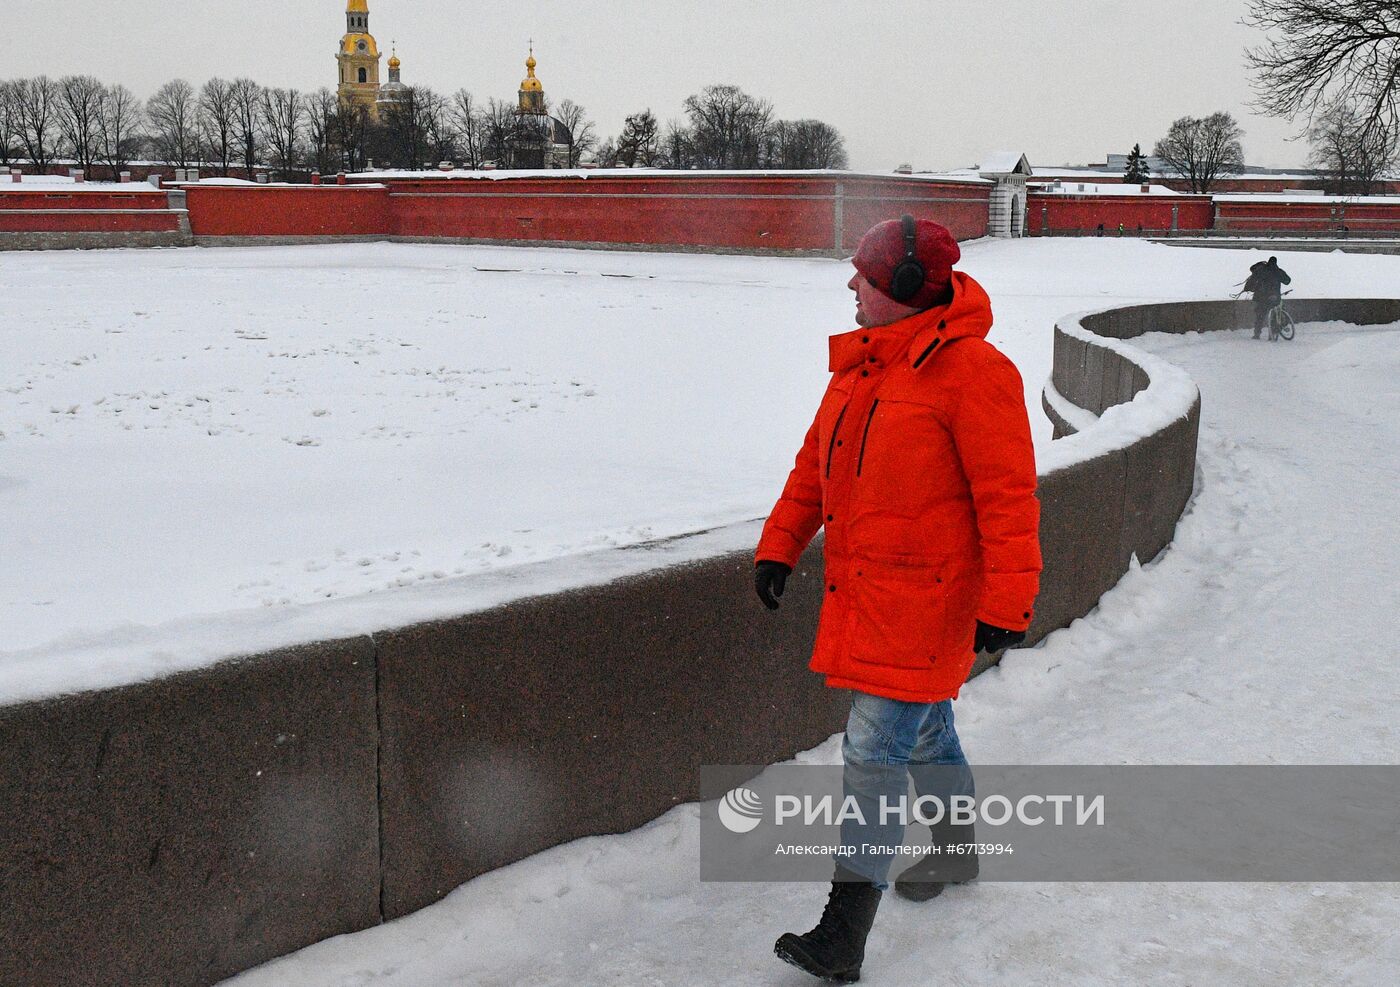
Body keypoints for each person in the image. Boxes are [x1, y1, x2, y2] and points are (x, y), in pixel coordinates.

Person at [754, 215, 1043, 982]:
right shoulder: (858, 370)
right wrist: (779, 544)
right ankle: (956, 847)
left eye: (867, 277)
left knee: (872, 752)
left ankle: (842, 934)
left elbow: (1008, 500)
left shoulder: (977, 374)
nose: (851, 284)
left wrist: (1009, 604)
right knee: (922, 736)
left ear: (908, 291)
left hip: (931, 606)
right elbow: (814, 469)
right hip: (869, 596)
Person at [1243, 256, 1292, 339]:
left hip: (1261, 297)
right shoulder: (1278, 271)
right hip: (1274, 297)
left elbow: (1252, 280)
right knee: (1276, 313)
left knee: (1260, 316)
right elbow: (1287, 281)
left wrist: (1247, 288)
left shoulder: (1260, 270)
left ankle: (1257, 334)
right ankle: (1273, 333)